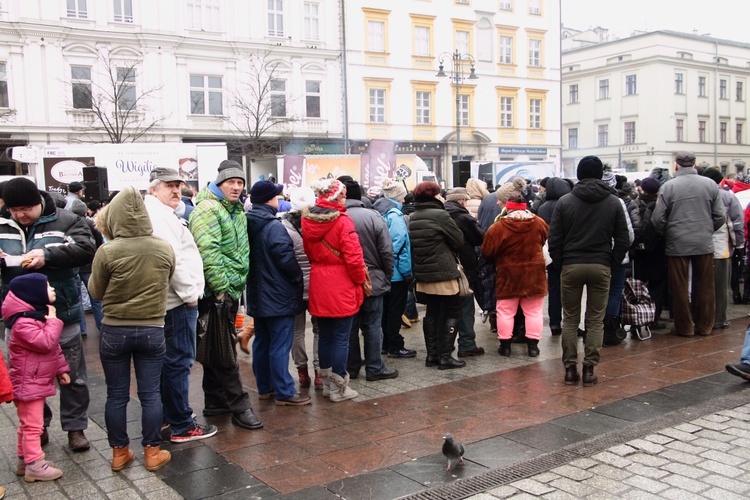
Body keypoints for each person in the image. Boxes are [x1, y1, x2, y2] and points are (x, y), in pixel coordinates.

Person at [0, 177, 94, 452]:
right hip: (18, 317)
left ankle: (76, 427)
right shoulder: (3, 223)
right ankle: (37, 426)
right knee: (25, 377)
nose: (21, 215)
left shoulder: (65, 220)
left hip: (61, 311)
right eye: (15, 209)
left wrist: (47, 255)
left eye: (27, 208)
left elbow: (86, 249)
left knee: (73, 375)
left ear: (39, 202)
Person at [88, 187, 175, 472]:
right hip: (152, 329)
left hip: (114, 330)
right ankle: (152, 452)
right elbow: (168, 277)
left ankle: (119, 453)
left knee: (117, 394)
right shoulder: (163, 247)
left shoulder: (108, 250)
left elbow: (95, 292)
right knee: (150, 394)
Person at [144, 167, 217, 442]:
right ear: (153, 189)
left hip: (174, 300)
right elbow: (171, 259)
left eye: (178, 185)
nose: (176, 190)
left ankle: (168, 417)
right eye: (168, 186)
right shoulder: (160, 216)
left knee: (171, 362)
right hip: (177, 302)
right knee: (178, 362)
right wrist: (189, 295)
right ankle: (182, 424)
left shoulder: (163, 214)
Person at [189, 160, 263, 429]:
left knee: (215, 344)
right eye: (231, 182)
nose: (236, 187)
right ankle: (239, 405)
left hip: (231, 289)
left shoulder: (235, 211)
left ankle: (214, 400)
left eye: (240, 182)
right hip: (218, 292)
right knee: (225, 350)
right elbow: (208, 253)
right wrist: (220, 291)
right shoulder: (208, 210)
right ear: (219, 183)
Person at [548, 156, 629, 386]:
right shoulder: (613, 202)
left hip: (571, 265)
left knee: (570, 319)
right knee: (595, 319)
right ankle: (589, 369)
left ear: (580, 173)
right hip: (600, 264)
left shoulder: (565, 201)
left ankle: (570, 369)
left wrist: (561, 262)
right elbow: (623, 239)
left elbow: (554, 239)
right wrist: (611, 262)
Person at [301, 179, 365, 402]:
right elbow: (355, 258)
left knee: (325, 336)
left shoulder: (307, 220)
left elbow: (309, 252)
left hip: (319, 281)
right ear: (337, 197)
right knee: (341, 338)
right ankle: (339, 388)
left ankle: (328, 384)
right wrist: (359, 280)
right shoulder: (343, 222)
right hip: (341, 282)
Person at [246, 180, 309, 405]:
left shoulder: (248, 221)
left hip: (257, 292)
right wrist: (297, 279)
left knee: (262, 342)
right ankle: (284, 391)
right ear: (270, 200)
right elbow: (285, 258)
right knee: (280, 344)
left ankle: (265, 387)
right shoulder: (273, 226)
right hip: (278, 294)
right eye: (276, 196)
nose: (278, 199)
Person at [2, 273, 70, 483]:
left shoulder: (35, 317)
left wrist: (61, 369)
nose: (52, 289)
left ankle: (25, 461)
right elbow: (46, 342)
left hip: (34, 381)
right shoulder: (23, 323)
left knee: (27, 424)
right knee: (33, 426)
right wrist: (54, 321)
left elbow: (53, 350)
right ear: (33, 293)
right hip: (27, 383)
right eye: (47, 286)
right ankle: (35, 465)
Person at [652, 151, 726, 337]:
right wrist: (707, 229)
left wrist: (668, 232)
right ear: (694, 164)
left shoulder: (668, 187)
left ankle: (684, 327)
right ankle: (704, 325)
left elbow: (658, 219)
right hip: (703, 241)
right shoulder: (710, 185)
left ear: (676, 165)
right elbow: (720, 216)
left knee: (679, 286)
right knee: (705, 285)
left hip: (677, 241)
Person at [342, 179, 398, 381]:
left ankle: (352, 366)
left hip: (346, 281)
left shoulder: (337, 218)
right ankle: (375, 367)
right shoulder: (373, 216)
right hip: (374, 279)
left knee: (350, 326)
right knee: (373, 326)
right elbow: (386, 250)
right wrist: (387, 275)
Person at [482, 193, 548, 357]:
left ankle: (505, 346)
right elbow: (543, 240)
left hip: (508, 274)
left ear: (507, 208)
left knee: (505, 311)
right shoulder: (539, 223)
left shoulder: (498, 227)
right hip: (534, 274)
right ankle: (533, 347)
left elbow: (487, 251)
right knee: (534, 311)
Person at [408, 181, 466, 370]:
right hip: (444, 271)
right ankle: (446, 355)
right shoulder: (440, 215)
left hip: (424, 271)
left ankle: (432, 355)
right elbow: (458, 240)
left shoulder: (414, 216)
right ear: (434, 196)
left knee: (432, 312)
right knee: (453, 311)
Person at [281, 187, 322, 390]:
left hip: (294, 286)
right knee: (318, 330)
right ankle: (319, 373)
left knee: (297, 331)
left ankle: (302, 372)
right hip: (316, 285)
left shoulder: (284, 227)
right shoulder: (318, 224)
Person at [373, 178, 417, 358]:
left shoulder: (377, 212)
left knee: (384, 311)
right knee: (395, 311)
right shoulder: (395, 215)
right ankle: (395, 345)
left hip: (382, 271)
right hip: (396, 273)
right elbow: (399, 246)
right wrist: (407, 272)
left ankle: (384, 343)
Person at [698, 167, 743, 330]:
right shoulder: (726, 196)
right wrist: (739, 245)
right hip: (720, 247)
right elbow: (736, 222)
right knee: (720, 286)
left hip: (697, 246)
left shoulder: (698, 195)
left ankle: (701, 318)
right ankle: (719, 319)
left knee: (700, 284)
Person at [444, 187, 485, 357]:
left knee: (446, 309)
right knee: (466, 306)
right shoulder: (463, 217)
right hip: (464, 268)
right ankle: (467, 344)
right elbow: (479, 238)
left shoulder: (442, 215)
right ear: (462, 201)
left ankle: (444, 346)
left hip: (444, 266)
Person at [628, 177, 668, 329]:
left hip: (638, 251)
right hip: (656, 249)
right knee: (657, 285)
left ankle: (636, 319)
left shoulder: (635, 203)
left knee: (637, 285)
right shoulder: (659, 205)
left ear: (642, 189)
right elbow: (662, 224)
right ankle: (652, 319)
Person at [536, 177, 572, 336]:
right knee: (570, 290)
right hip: (568, 252)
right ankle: (571, 323)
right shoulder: (569, 204)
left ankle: (555, 323)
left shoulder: (543, 207)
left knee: (554, 290)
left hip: (550, 252)